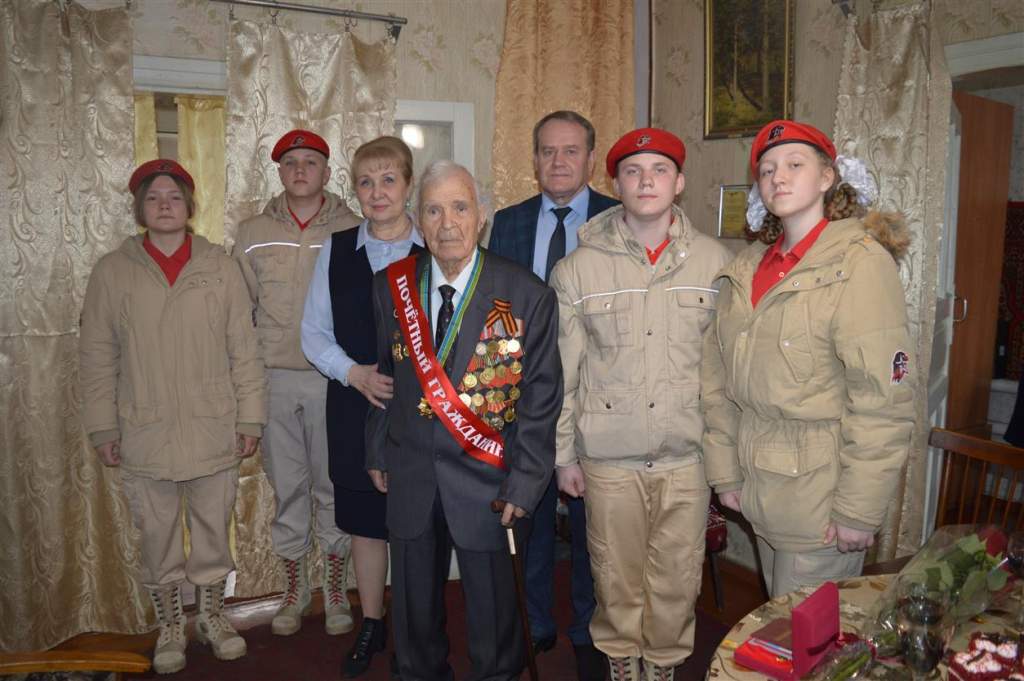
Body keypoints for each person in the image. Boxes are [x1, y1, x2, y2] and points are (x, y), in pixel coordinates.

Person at [365, 160, 563, 681]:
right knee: (412, 620)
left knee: (495, 622)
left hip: (489, 482)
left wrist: (527, 481)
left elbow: (542, 398)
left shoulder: (526, 293)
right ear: (417, 220)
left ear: (482, 216)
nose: (447, 223)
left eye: (459, 207)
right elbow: (385, 375)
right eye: (433, 210)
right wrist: (378, 448)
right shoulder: (390, 287)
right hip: (411, 474)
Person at [701, 120, 915, 599]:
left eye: (795, 165)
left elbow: (882, 399)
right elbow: (717, 384)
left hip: (821, 504)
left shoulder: (858, 263)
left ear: (827, 178)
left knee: (806, 639)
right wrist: (725, 472)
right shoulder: (745, 269)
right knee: (780, 627)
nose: (778, 177)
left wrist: (858, 509)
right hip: (760, 492)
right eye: (767, 170)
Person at [551, 128, 732, 681]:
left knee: (677, 582)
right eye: (633, 171)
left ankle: (663, 669)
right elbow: (563, 375)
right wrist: (563, 456)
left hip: (686, 460)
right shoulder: (578, 269)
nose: (646, 181)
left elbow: (723, 374)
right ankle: (623, 667)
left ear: (679, 183)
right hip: (610, 463)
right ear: (616, 185)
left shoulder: (716, 264)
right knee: (615, 582)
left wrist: (725, 461)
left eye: (659, 170)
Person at [80, 160, 267, 674]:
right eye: (153, 197)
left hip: (212, 427)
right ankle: (170, 626)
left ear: (189, 206)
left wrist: (250, 419)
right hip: (144, 430)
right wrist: (103, 426)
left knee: (212, 534)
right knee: (158, 537)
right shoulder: (112, 272)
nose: (165, 205)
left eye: (174, 197)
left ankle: (211, 617)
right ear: (139, 208)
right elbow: (96, 356)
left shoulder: (219, 266)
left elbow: (244, 348)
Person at [488, 110, 617, 681]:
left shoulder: (617, 217)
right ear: (534, 158)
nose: (558, 161)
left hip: (597, 396)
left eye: (570, 151)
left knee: (593, 525)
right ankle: (536, 623)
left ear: (590, 159)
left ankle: (588, 628)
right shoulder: (508, 221)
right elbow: (497, 306)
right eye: (547, 151)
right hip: (528, 399)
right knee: (531, 517)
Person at [301, 136, 424, 677]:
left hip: (422, 413)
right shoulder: (336, 249)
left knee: (416, 523)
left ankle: (418, 630)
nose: (378, 192)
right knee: (367, 524)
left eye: (389, 179)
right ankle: (372, 622)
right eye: (366, 182)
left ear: (408, 185)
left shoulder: (434, 248)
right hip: (354, 404)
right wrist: (354, 374)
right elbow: (313, 332)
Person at [232, 130, 360, 637]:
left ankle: (335, 588)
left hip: (335, 381)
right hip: (276, 381)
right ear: (279, 172)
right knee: (288, 488)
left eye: (310, 162)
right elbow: (239, 313)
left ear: (327, 172)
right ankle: (295, 589)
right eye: (290, 163)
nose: (300, 170)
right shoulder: (252, 232)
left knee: (333, 487)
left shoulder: (354, 227)